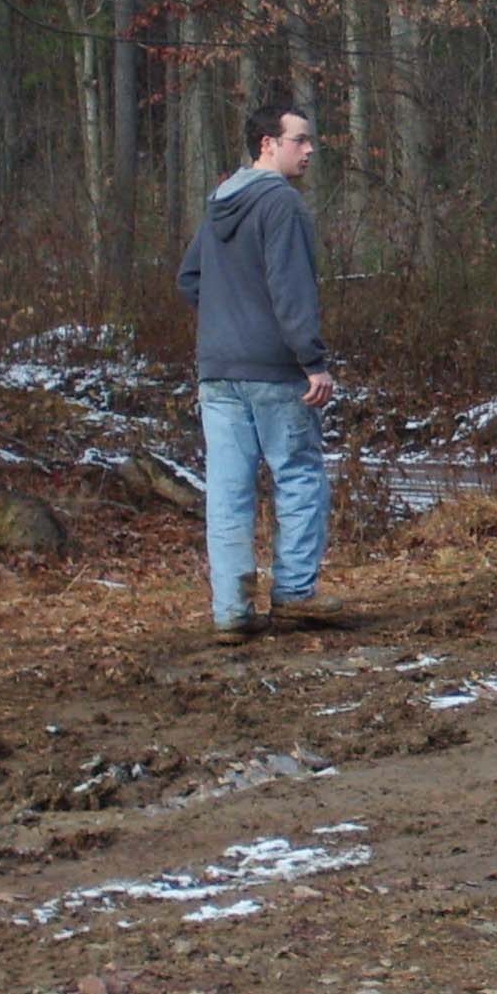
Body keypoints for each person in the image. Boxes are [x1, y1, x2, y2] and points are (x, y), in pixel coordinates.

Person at [178, 102, 338, 642]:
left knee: (228, 492)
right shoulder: (281, 205)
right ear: (268, 144)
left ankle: (231, 613)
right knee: (298, 477)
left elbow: (189, 279)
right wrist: (311, 360)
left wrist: (229, 318)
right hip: (274, 370)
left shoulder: (221, 203)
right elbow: (292, 289)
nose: (310, 149)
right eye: (300, 139)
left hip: (217, 371)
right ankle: (294, 595)